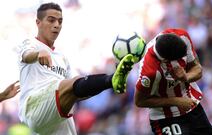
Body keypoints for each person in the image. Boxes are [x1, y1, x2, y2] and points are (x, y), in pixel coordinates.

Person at [17, 2, 134, 135]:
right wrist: (37, 54)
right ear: (38, 22)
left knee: (75, 86)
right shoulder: (30, 43)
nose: (56, 25)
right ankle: (112, 79)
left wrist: (96, 87)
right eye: (51, 20)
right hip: (35, 108)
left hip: (58, 118)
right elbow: (26, 55)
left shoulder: (62, 58)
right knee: (70, 83)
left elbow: (76, 91)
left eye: (60, 21)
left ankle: (111, 82)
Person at [134, 28, 212, 135]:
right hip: (165, 118)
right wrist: (177, 101)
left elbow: (198, 69)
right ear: (167, 60)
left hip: (191, 106)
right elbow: (139, 101)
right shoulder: (149, 71)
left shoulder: (182, 36)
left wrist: (186, 77)